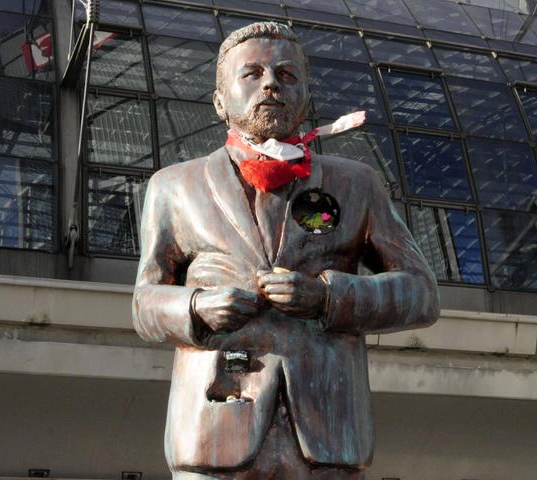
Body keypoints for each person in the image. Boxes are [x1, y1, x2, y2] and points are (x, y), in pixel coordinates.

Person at [132, 22, 439, 479]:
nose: (271, 83)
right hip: (213, 429)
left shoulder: (355, 184)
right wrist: (196, 307)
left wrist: (329, 298)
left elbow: (421, 293)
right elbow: (144, 303)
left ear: (306, 98)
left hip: (327, 439)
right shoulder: (175, 186)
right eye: (252, 73)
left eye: (287, 75)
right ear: (220, 100)